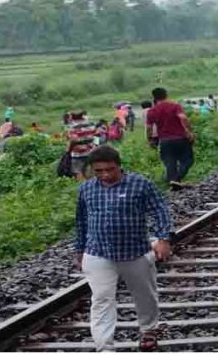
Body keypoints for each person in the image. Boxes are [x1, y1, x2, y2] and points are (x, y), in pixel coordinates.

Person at [74, 145, 172, 352]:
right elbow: (81, 221)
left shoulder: (140, 184)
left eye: (110, 169)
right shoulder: (86, 188)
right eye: (99, 171)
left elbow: (160, 211)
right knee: (101, 298)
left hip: (134, 251)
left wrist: (164, 238)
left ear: (119, 166)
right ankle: (104, 346)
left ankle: (148, 329)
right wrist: (79, 249)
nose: (105, 174)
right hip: (98, 252)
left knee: (144, 294)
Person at [145, 88, 196, 190]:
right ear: (166, 95)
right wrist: (189, 131)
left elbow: (149, 128)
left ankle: (174, 182)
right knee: (188, 160)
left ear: (154, 97)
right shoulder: (174, 106)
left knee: (170, 163)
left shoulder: (151, 111)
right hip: (180, 138)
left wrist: (150, 139)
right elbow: (183, 118)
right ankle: (176, 180)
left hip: (164, 140)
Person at [67, 112, 99, 181]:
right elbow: (97, 136)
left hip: (78, 154)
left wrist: (68, 150)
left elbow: (73, 140)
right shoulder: (91, 125)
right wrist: (95, 146)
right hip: (91, 151)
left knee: (78, 172)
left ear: (72, 117)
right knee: (91, 172)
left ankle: (81, 186)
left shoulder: (72, 127)